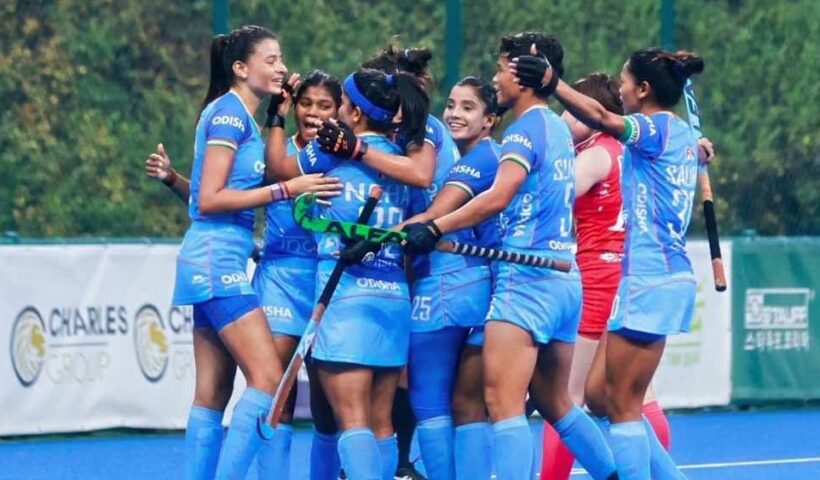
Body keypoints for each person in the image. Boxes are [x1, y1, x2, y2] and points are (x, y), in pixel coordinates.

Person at [403, 32, 617, 480]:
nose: (497, 78)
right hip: (564, 281)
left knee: (501, 404)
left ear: (524, 74)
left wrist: (436, 227)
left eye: (502, 69)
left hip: (525, 281)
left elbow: (499, 196)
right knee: (556, 402)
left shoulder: (523, 130)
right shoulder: (557, 128)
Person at [511, 45, 705, 479]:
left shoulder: (652, 127)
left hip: (649, 278)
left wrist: (552, 84)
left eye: (624, 82)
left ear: (644, 89)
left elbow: (603, 118)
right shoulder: (682, 135)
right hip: (653, 279)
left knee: (622, 406)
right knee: (598, 395)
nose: (620, 91)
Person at [171, 26, 340, 480]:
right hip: (217, 261)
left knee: (212, 393)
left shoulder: (238, 116)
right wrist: (288, 189)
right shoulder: (229, 115)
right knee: (269, 381)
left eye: (281, 59)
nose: (281, 68)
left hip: (213, 259)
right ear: (241, 68)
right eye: (271, 60)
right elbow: (209, 199)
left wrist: (276, 115)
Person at [270, 67, 429, 480]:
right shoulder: (402, 161)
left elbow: (278, 168)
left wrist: (276, 115)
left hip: (345, 297)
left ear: (355, 113)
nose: (334, 111)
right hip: (393, 298)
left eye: (340, 104)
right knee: (381, 422)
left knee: (352, 420)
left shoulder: (330, 150)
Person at [397, 76, 502, 479]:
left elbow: (431, 218)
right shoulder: (487, 156)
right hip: (489, 289)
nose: (455, 114)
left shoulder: (480, 160)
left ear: (490, 119)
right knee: (470, 404)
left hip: (454, 290)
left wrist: (372, 238)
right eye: (452, 105)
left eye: (468, 107)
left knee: (429, 402)